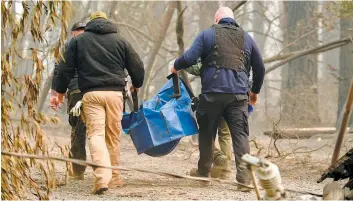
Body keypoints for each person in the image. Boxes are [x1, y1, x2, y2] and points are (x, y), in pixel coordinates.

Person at [171, 7, 265, 189]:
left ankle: (204, 174)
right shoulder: (246, 38)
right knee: (240, 136)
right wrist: (255, 91)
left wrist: (175, 65)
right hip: (238, 96)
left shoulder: (207, 34)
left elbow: (190, 58)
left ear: (216, 20)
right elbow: (259, 67)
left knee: (207, 134)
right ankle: (244, 180)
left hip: (212, 94)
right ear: (233, 20)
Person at [53, 11, 145, 194]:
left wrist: (60, 92)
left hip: (92, 94)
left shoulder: (78, 41)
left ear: (90, 24)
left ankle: (102, 178)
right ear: (106, 22)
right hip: (115, 95)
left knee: (95, 134)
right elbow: (137, 65)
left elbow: (64, 68)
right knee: (112, 136)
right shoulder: (121, 41)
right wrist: (137, 83)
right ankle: (115, 178)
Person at [50, 22, 87, 180]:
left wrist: (57, 93)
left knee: (78, 129)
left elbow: (59, 70)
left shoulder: (68, 45)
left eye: (83, 31)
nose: (81, 34)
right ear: (73, 33)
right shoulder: (90, 44)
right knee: (80, 128)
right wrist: (56, 93)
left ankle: (78, 170)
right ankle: (79, 169)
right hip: (82, 90)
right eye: (79, 31)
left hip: (77, 91)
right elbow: (59, 70)